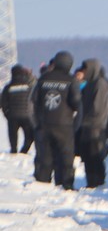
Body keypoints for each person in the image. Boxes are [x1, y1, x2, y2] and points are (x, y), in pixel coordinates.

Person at [33, 51, 81, 189]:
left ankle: (42, 184)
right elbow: (76, 102)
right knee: (66, 157)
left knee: (45, 157)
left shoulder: (43, 78)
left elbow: (34, 100)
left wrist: (37, 122)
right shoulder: (71, 80)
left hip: (44, 124)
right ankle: (66, 185)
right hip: (64, 125)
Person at [75, 59, 108, 188]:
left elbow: (97, 107)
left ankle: (98, 182)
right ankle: (91, 181)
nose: (84, 72)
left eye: (85, 70)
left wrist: (84, 117)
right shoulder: (89, 84)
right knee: (87, 156)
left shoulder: (100, 84)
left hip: (96, 125)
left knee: (94, 155)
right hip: (87, 125)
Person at [1, 64, 35, 154]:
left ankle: (13, 150)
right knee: (29, 136)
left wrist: (7, 114)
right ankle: (24, 151)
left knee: (13, 136)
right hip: (26, 116)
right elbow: (33, 100)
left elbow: (3, 103)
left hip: (12, 116)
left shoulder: (8, 87)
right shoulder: (29, 86)